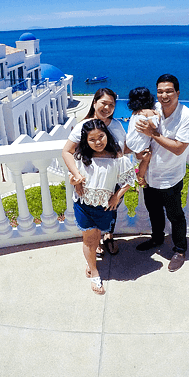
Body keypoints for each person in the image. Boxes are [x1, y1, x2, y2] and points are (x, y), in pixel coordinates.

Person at [134, 74, 189, 272]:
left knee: (175, 215)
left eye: (169, 91)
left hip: (170, 176)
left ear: (177, 93)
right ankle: (157, 239)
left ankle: (180, 250)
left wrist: (153, 133)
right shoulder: (154, 110)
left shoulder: (187, 116)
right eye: (160, 91)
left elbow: (179, 148)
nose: (164, 95)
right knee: (153, 210)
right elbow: (138, 135)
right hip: (150, 173)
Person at [67, 119, 136, 294]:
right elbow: (75, 180)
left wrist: (116, 197)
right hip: (83, 205)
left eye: (101, 136)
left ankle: (91, 263)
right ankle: (94, 273)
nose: (98, 142)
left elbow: (129, 181)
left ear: (107, 135)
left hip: (105, 207)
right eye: (92, 139)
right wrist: (75, 183)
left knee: (97, 237)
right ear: (86, 140)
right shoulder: (81, 157)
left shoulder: (117, 157)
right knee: (89, 240)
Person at [62, 88, 126, 255]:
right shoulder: (83, 126)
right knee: (92, 209)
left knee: (112, 209)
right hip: (89, 181)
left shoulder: (117, 125)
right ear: (95, 102)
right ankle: (94, 241)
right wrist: (77, 176)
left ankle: (108, 236)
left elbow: (122, 151)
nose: (107, 108)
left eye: (111, 105)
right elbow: (67, 151)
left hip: (113, 179)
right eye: (104, 103)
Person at [125, 87, 159, 187]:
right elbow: (155, 125)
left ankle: (138, 175)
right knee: (144, 160)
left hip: (131, 141)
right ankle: (141, 178)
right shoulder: (149, 112)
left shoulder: (135, 112)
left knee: (137, 161)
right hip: (140, 144)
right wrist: (158, 116)